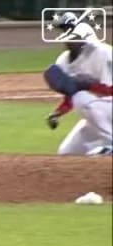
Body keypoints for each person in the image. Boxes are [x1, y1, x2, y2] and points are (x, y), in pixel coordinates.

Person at [44, 15, 113, 156]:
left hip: (108, 108)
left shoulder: (103, 52)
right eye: (64, 32)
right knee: (66, 153)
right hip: (96, 114)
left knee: (81, 97)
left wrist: (88, 85)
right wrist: (58, 113)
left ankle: (110, 143)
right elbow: (71, 93)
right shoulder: (63, 60)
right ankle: (104, 146)